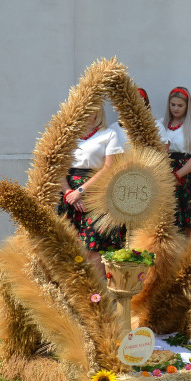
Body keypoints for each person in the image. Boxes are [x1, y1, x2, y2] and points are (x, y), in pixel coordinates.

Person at [59, 106, 124, 270]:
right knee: (68, 243)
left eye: (93, 109)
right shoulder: (68, 135)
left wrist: (80, 192)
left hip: (95, 193)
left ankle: (96, 289)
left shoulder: (109, 135)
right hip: (68, 193)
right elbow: (57, 167)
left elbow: (109, 167)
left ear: (98, 112)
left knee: (93, 244)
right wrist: (68, 193)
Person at [160, 87, 191, 232]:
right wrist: (168, 176)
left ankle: (190, 254)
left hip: (189, 175)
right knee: (169, 223)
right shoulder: (160, 124)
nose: (176, 108)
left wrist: (177, 175)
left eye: (180, 105)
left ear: (187, 106)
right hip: (166, 176)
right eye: (173, 104)